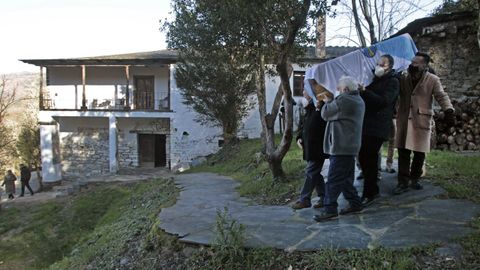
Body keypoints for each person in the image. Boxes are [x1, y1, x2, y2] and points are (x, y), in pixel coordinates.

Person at [393, 52, 455, 194]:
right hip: (404, 119)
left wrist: (449, 110)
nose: (412, 65)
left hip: (421, 119)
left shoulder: (433, 79)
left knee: (419, 152)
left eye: (416, 63)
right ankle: (402, 182)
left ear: (424, 65)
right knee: (403, 152)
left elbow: (441, 95)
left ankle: (415, 179)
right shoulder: (403, 77)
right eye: (412, 62)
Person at [313, 76, 365, 222]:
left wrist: (328, 101)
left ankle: (330, 209)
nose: (337, 91)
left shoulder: (345, 100)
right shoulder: (357, 99)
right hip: (348, 146)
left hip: (342, 147)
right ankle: (355, 203)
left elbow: (325, 114)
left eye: (340, 89)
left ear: (346, 90)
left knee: (334, 180)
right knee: (345, 179)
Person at [358, 54, 399, 206]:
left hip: (380, 124)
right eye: (378, 64)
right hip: (367, 124)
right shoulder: (374, 80)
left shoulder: (393, 81)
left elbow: (384, 101)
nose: (379, 67)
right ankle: (372, 189)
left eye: (383, 64)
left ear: (390, 66)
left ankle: (369, 193)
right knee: (363, 157)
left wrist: (365, 92)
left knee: (369, 158)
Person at [292, 91, 329, 209]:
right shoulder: (309, 106)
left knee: (310, 172)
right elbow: (304, 126)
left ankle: (305, 199)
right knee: (315, 174)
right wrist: (299, 138)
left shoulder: (322, 105)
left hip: (318, 147)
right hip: (309, 147)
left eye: (306, 89)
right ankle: (324, 197)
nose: (303, 92)